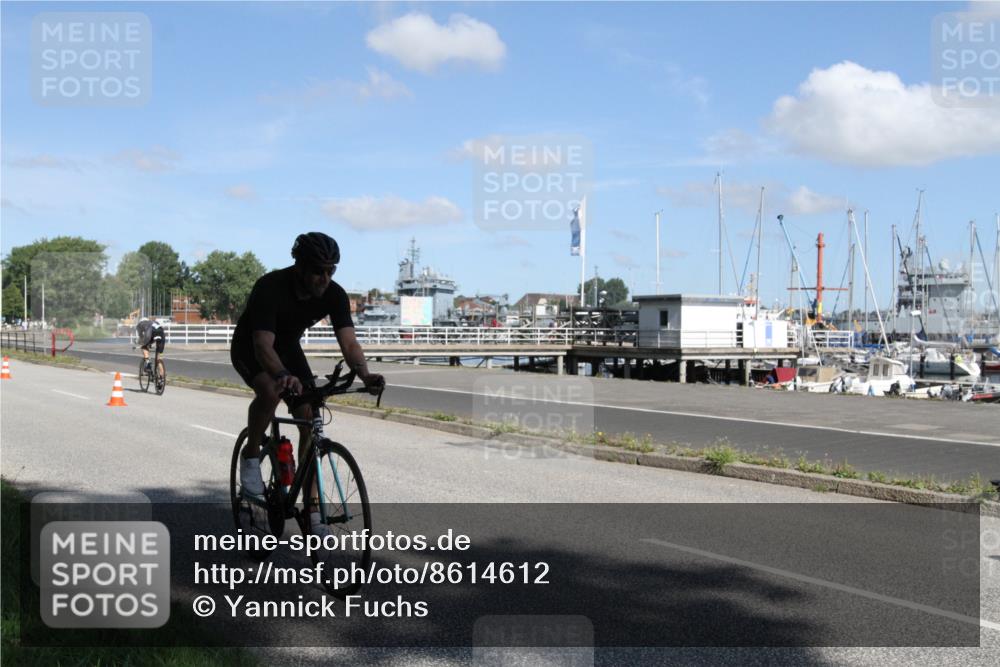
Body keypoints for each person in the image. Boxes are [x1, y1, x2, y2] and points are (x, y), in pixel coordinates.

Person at [230, 232, 384, 529]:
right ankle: (250, 460)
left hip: (287, 348)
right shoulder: (270, 287)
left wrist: (365, 375)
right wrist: (283, 375)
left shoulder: (334, 295)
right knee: (271, 390)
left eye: (331, 271)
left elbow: (349, 344)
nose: (324, 278)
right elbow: (263, 346)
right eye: (317, 271)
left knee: (309, 414)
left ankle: (312, 511)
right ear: (299, 267)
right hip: (251, 347)